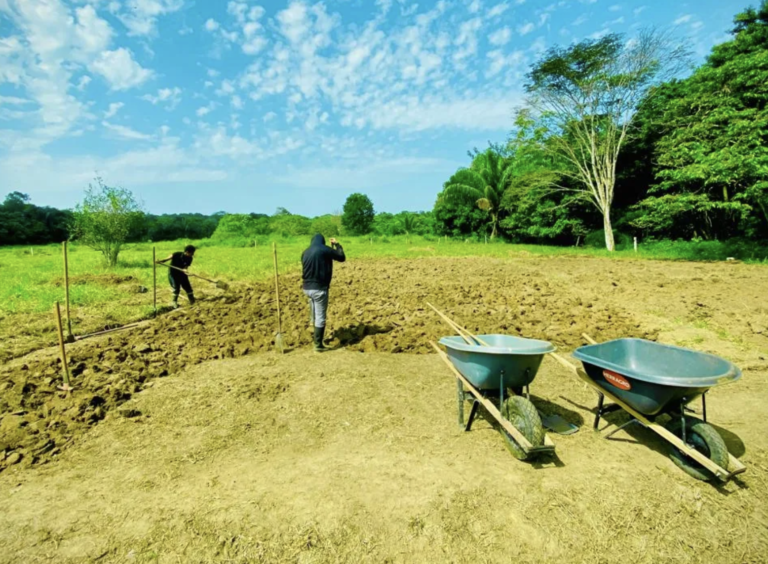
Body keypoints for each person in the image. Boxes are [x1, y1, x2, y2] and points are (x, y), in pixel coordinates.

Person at [301, 234, 345, 352]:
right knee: (320, 315)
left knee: (314, 311)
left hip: (306, 288)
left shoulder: (305, 252)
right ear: (322, 241)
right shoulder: (324, 249)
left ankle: (313, 330)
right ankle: (318, 344)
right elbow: (341, 257)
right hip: (319, 288)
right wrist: (336, 245)